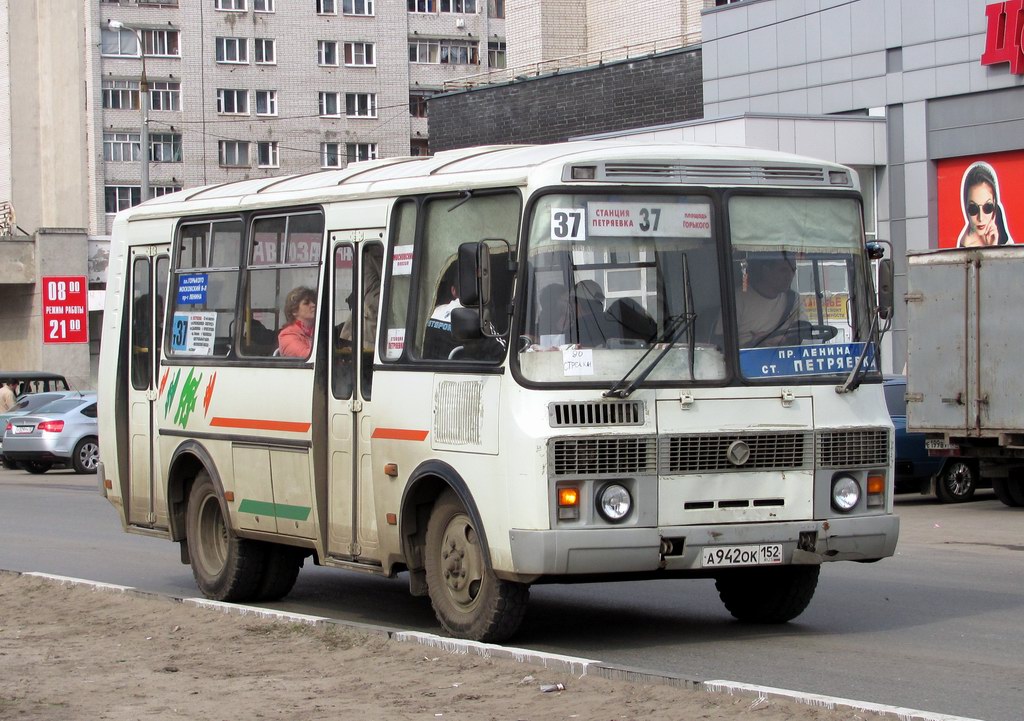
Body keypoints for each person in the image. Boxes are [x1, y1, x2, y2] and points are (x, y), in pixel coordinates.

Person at [733, 253, 807, 348]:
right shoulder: (738, 298)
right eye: (783, 270)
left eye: (793, 270)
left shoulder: (792, 298)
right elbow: (721, 342)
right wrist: (756, 343)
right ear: (766, 270)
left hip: (783, 357)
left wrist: (785, 339)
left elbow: (803, 328)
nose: (790, 276)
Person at [957, 162, 1014, 247]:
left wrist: (994, 245)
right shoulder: (966, 246)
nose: (981, 218)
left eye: (988, 208)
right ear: (966, 208)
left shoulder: (997, 216)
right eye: (973, 209)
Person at [278, 286, 317, 358]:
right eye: (306, 303)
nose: (313, 305)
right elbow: (307, 356)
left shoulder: (319, 331)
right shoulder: (287, 335)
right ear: (294, 311)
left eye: (314, 302)